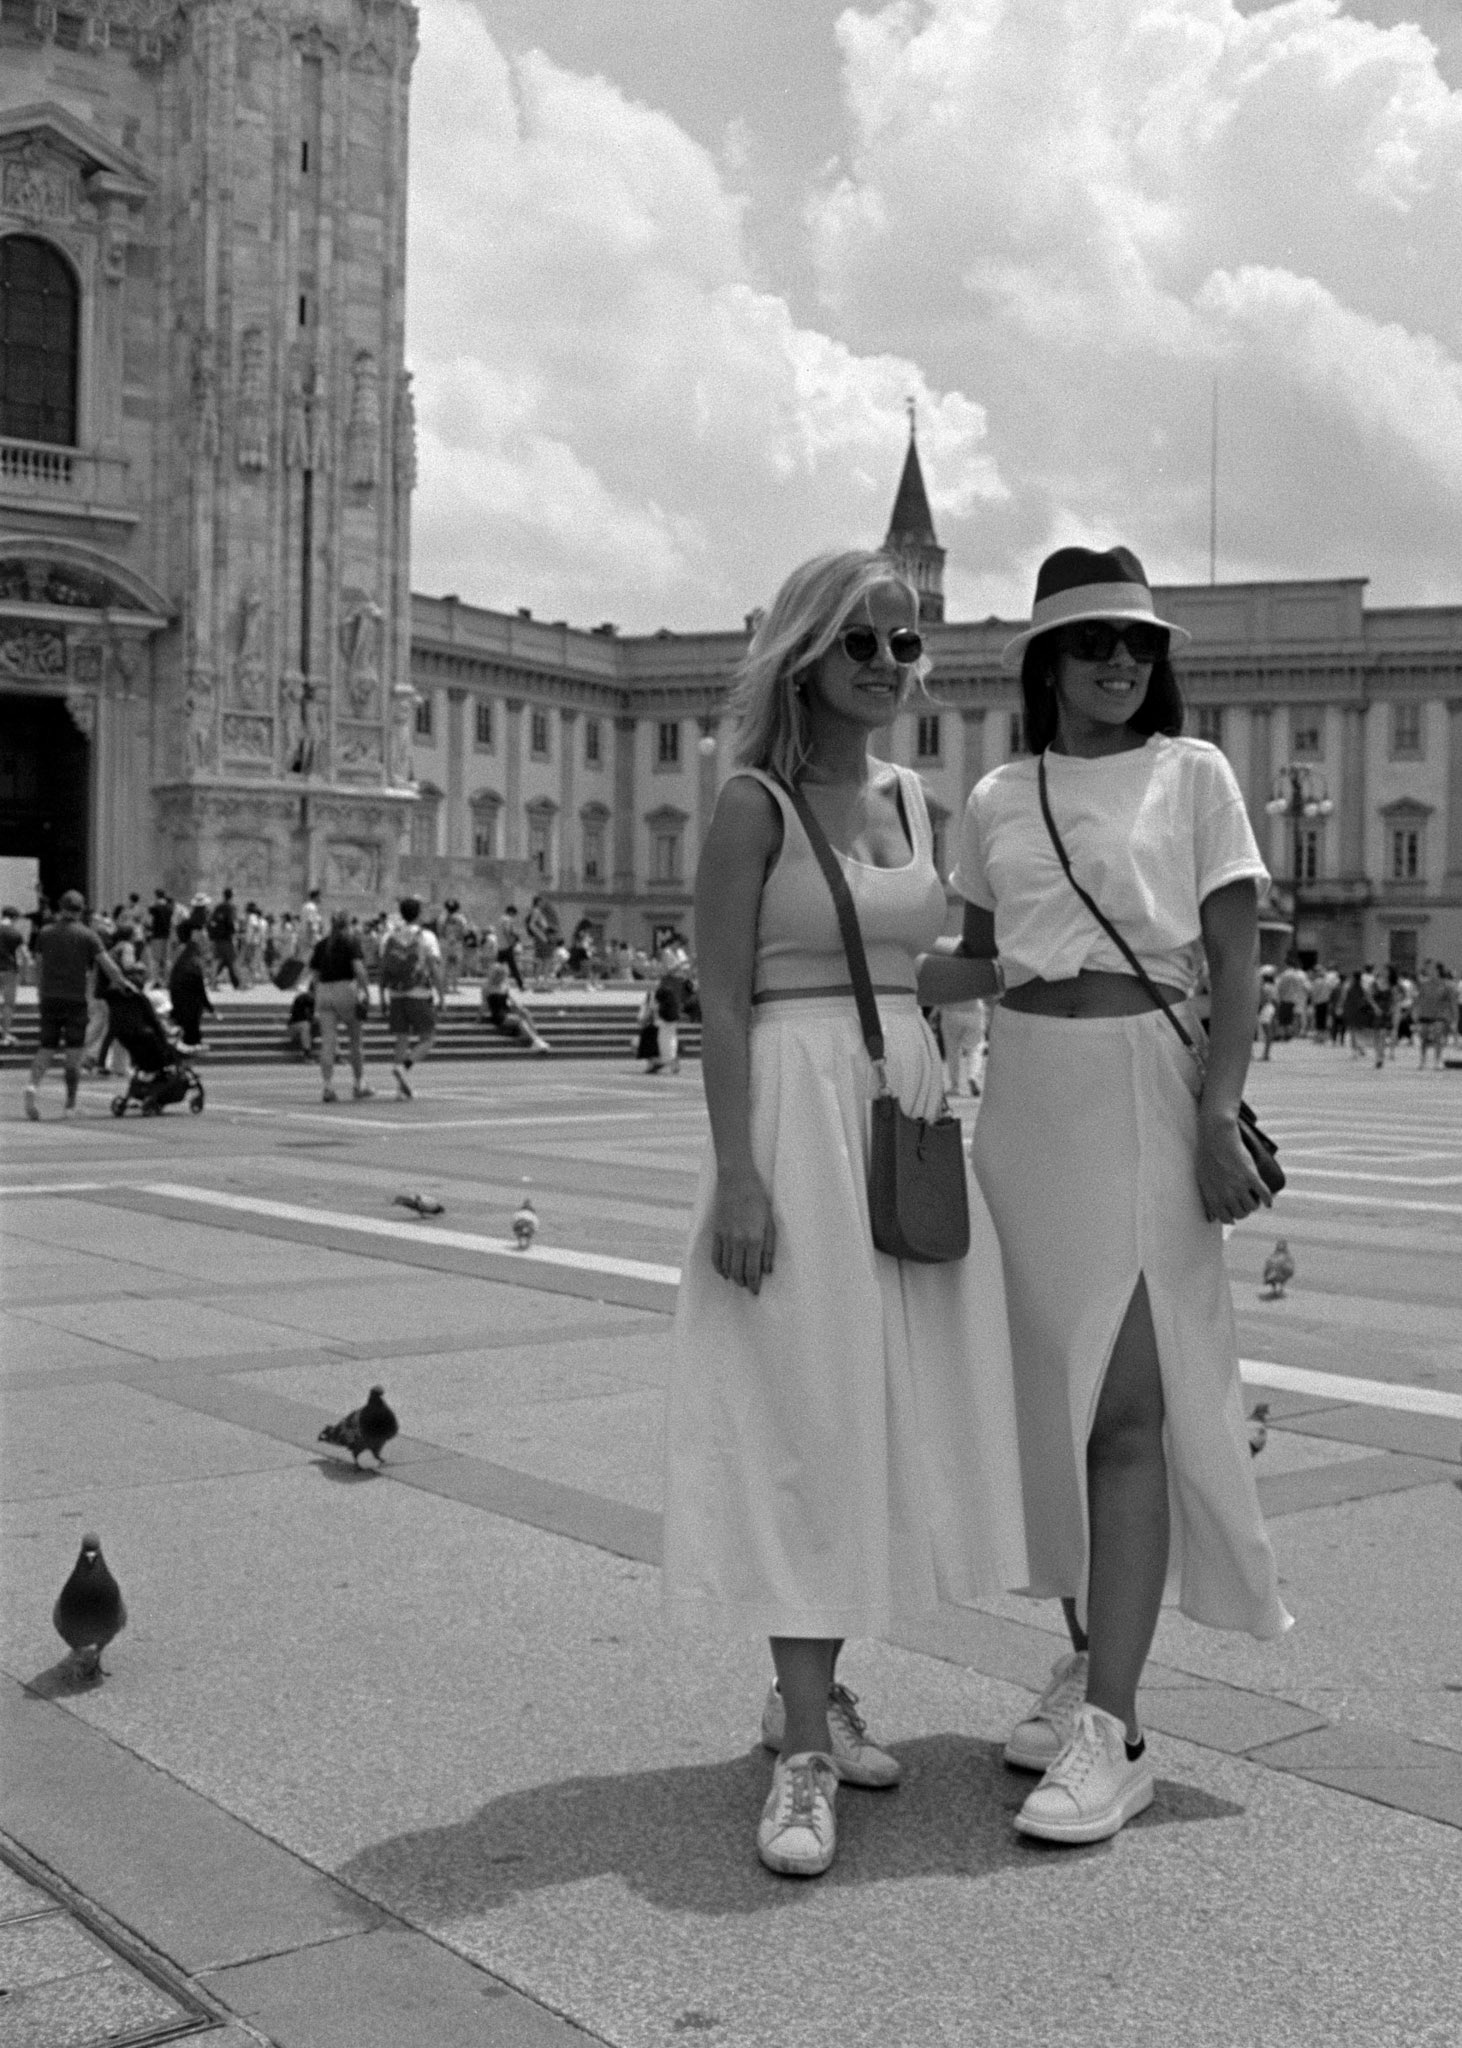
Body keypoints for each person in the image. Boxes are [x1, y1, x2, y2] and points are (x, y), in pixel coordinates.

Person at [664, 550, 1027, 1879]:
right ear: (804, 654)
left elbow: (920, 966)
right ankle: (805, 1750)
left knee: (879, 1414)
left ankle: (804, 1701)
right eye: (861, 641)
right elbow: (721, 997)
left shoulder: (916, 800)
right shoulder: (751, 803)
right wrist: (738, 1176)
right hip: (792, 1120)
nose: (888, 664)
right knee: (806, 1414)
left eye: (905, 642)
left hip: (899, 1115)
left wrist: (1071, 958)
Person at [953, 543, 1291, 1848]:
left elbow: (1234, 963)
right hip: (1026, 1104)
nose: (1119, 661)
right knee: (1056, 1403)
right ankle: (1085, 1660)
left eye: (1139, 642)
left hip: (1146, 1092)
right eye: (1094, 641)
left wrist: (1213, 1114)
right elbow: (976, 966)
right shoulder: (998, 793)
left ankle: (1116, 1727)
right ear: (1047, 661)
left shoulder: (1192, 773)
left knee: (1129, 1414)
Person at [23, 891, 129, 1118]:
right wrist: (124, 983)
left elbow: (38, 967)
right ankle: (70, 1104)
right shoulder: (88, 935)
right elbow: (108, 966)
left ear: (61, 908)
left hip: (49, 998)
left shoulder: (45, 933)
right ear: (81, 911)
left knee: (46, 1047)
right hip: (75, 1000)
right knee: (73, 1053)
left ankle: (32, 1086)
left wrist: (40, 991)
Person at [379, 896, 442, 1098]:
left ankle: (400, 1090)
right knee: (428, 1038)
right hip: (418, 993)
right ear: (419, 914)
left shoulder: (390, 936)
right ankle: (404, 1067)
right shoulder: (426, 936)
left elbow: (383, 968)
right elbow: (434, 967)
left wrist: (381, 996)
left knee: (401, 1039)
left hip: (396, 993)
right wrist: (441, 994)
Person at [308, 909, 374, 1102]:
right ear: (348, 924)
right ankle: (359, 1084)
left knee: (328, 1042)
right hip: (346, 990)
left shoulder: (322, 944)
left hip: (324, 992)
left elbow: (314, 975)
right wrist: (365, 991)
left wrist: (316, 995)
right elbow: (359, 970)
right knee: (355, 1041)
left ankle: (327, 1087)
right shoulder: (351, 941)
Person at [479, 938, 551, 1053]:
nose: (500, 976)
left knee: (525, 1012)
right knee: (519, 1020)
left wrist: (519, 1007)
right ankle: (535, 1041)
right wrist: (479, 1018)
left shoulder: (504, 986)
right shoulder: (487, 987)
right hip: (499, 1016)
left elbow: (511, 1000)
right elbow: (484, 1004)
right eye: (498, 974)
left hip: (506, 1011)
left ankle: (537, 1038)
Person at [167, 925, 213, 1049]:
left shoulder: (185, 953)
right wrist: (208, 1006)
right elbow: (199, 985)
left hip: (180, 994)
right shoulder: (191, 956)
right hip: (188, 998)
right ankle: (190, 1044)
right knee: (191, 1023)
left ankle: (189, 1043)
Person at [0, 905, 28, 1045]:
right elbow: (25, 955)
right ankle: (5, 1035)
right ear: (15, 918)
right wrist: (24, 975)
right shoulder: (15, 934)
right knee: (8, 1004)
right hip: (9, 970)